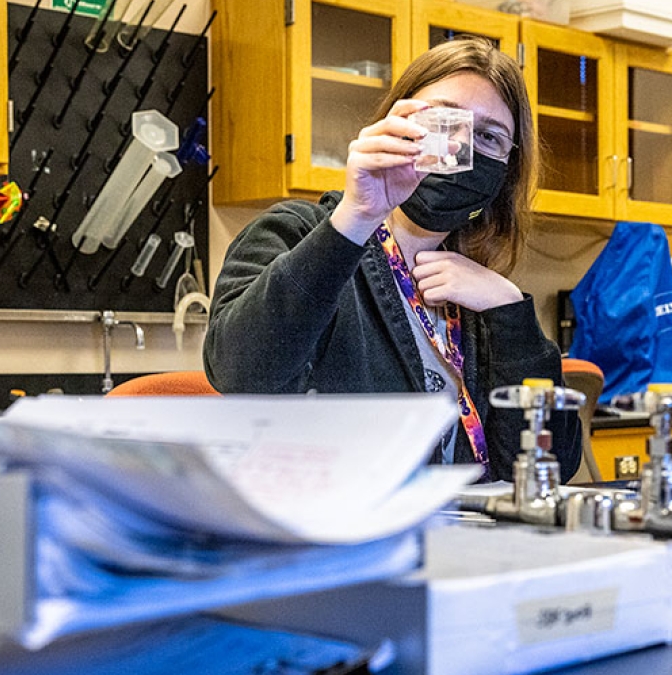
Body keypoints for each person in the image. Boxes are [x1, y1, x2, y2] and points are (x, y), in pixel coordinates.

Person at [204, 37, 581, 483]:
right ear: (396, 123)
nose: (461, 148)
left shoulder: (480, 292)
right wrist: (357, 216)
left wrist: (510, 311)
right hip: (333, 517)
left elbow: (550, 465)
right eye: (443, 122)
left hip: (459, 523)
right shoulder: (295, 232)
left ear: (507, 169)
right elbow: (241, 373)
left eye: (488, 137)